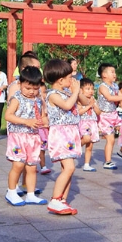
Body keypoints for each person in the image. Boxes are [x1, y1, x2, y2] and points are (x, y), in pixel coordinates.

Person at [4, 66, 48, 206]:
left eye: (35, 89)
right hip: (18, 136)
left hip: (33, 137)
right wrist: (26, 121)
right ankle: (11, 192)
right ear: (20, 84)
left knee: (31, 167)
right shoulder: (17, 98)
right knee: (18, 165)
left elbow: (42, 117)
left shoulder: (39, 100)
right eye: (28, 88)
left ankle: (30, 194)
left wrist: (46, 123)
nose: (32, 92)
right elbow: (8, 116)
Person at [43, 59, 82, 214]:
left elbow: (84, 101)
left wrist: (77, 92)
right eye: (68, 77)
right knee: (69, 167)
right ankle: (55, 200)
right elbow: (66, 106)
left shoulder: (66, 92)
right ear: (60, 80)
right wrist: (76, 92)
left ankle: (63, 200)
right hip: (60, 134)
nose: (71, 80)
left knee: (68, 169)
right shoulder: (53, 94)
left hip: (70, 133)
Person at [97, 63, 122, 168]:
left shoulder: (115, 85)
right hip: (105, 116)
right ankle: (108, 161)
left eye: (114, 72)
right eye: (112, 72)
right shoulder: (102, 86)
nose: (114, 74)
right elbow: (110, 98)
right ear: (104, 74)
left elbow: (120, 97)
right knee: (110, 139)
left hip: (114, 114)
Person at [77, 78, 101, 172]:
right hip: (84, 122)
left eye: (92, 89)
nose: (90, 91)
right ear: (81, 90)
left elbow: (99, 112)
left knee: (90, 145)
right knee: (86, 138)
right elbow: (79, 112)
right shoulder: (79, 101)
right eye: (87, 89)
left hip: (93, 123)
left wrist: (94, 105)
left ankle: (86, 164)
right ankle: (77, 146)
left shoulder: (93, 100)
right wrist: (88, 106)